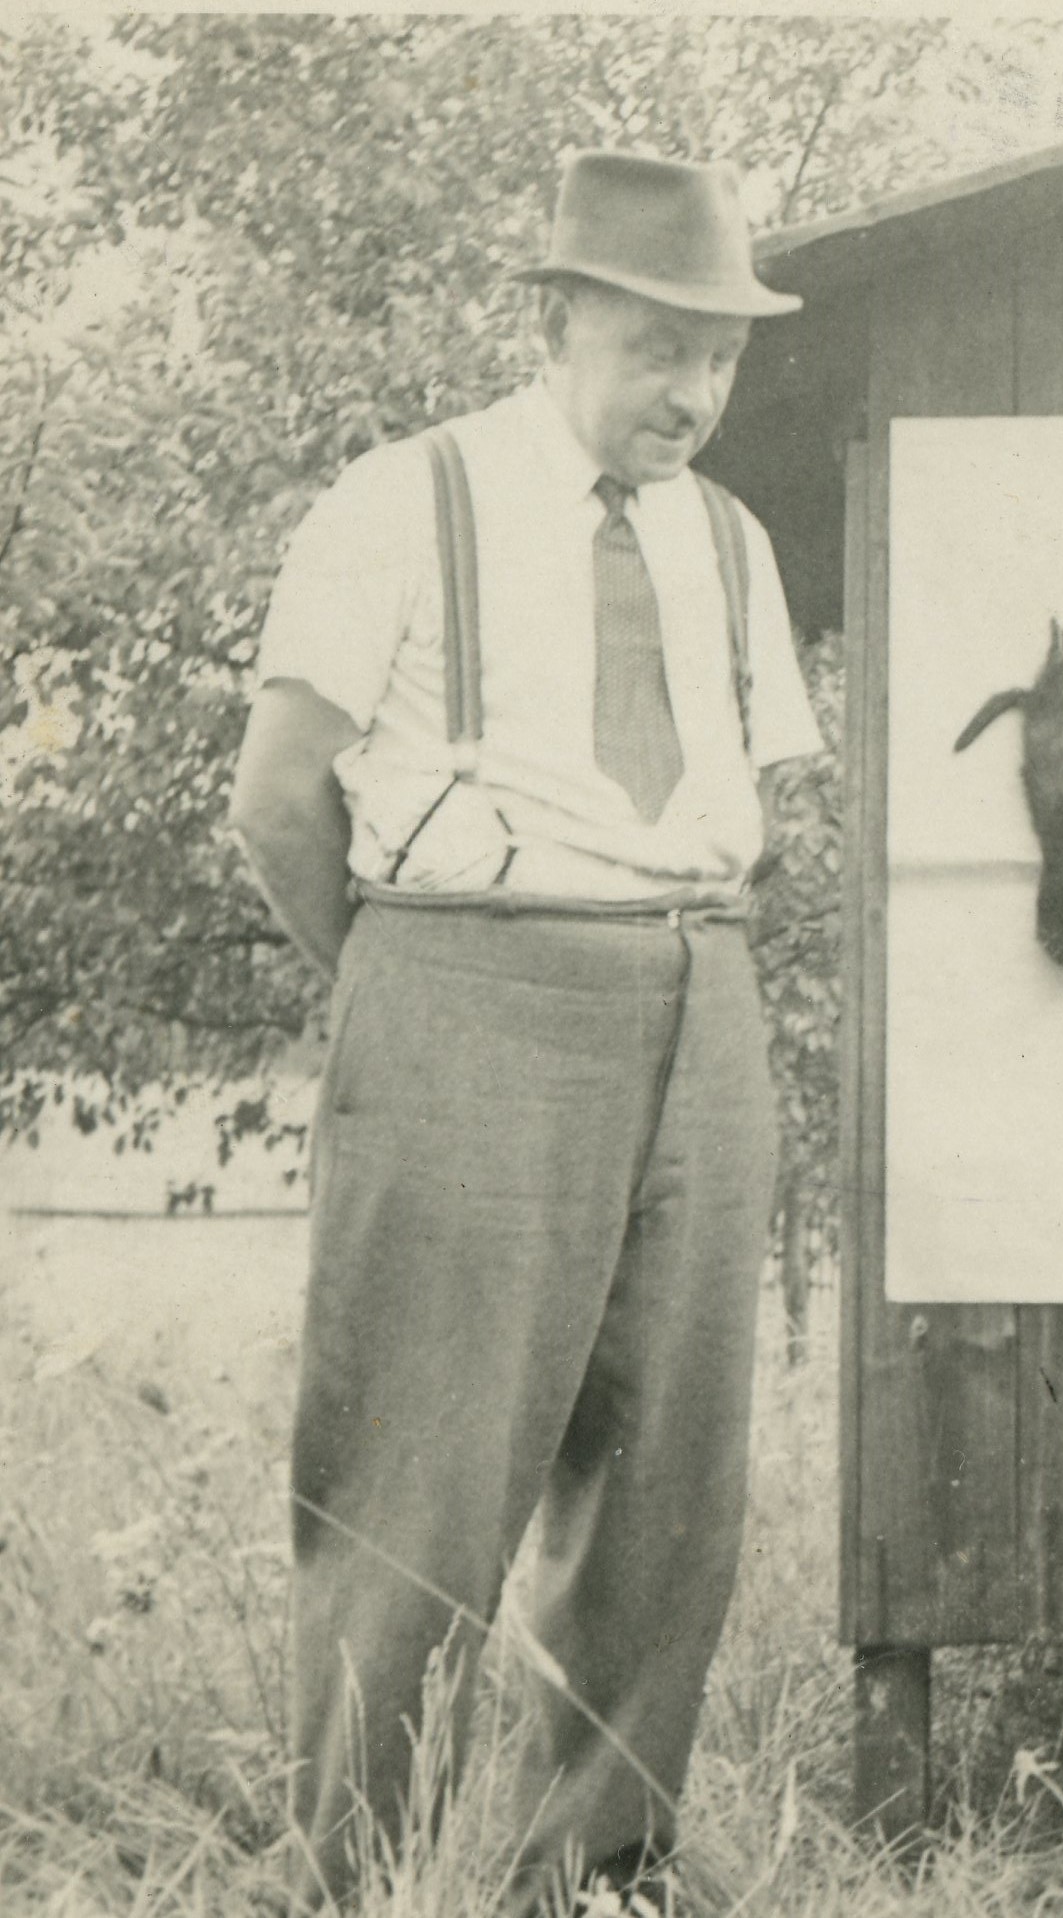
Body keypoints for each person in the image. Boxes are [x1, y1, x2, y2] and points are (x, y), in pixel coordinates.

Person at [227, 150, 825, 1910]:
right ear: (557, 320)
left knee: (667, 1482)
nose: (691, 393)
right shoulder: (403, 499)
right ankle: (354, 1873)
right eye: (656, 348)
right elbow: (276, 797)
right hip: (468, 985)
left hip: (698, 992)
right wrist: (413, 991)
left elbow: (746, 804)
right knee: (419, 1466)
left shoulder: (730, 539)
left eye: (719, 357)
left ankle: (598, 1868)